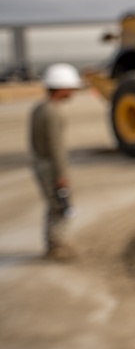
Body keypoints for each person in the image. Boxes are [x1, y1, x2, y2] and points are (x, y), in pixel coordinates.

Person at [30, 63, 83, 260]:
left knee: (55, 204)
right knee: (60, 205)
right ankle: (56, 245)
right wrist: (61, 175)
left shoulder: (40, 108)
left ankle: (56, 242)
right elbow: (56, 147)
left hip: (41, 162)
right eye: (71, 87)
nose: (73, 91)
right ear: (61, 88)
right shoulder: (53, 112)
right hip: (50, 167)